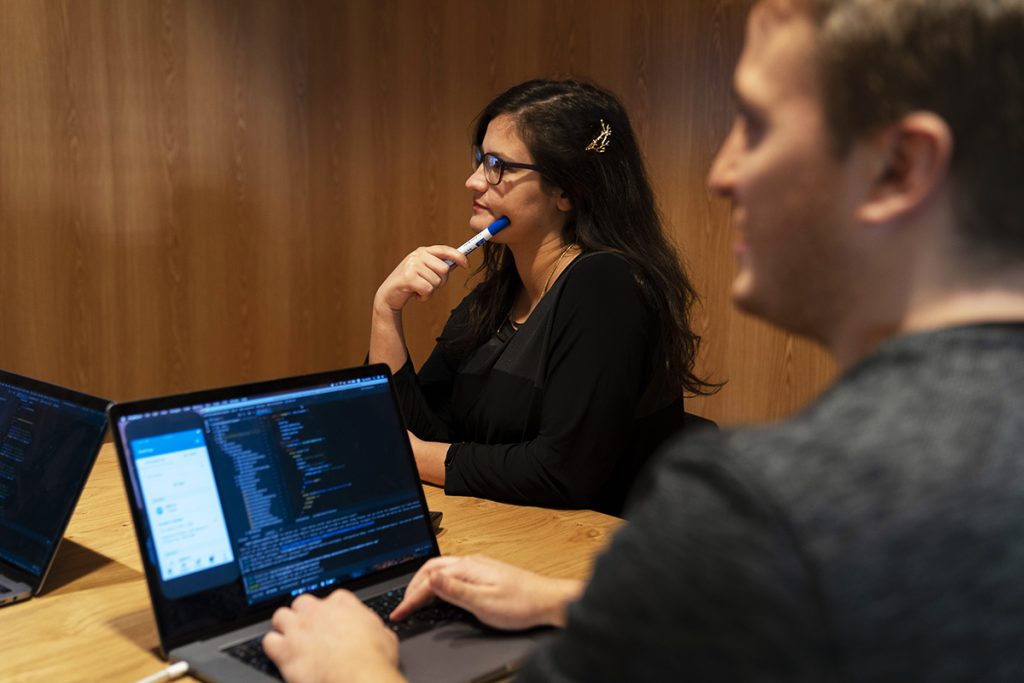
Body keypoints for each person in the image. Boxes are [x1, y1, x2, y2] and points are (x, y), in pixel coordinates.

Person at [264, 0, 1024, 680]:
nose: (722, 173)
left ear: (900, 167)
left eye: (756, 127)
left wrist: (350, 673)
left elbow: (552, 468)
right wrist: (576, 598)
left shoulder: (768, 504)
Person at [367, 79, 713, 515]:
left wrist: (412, 456)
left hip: (596, 556)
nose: (474, 181)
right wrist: (386, 311)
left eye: (498, 166)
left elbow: (561, 472)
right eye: (480, 160)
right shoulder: (496, 295)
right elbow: (421, 430)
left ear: (567, 190)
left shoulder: (606, 286)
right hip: (508, 532)